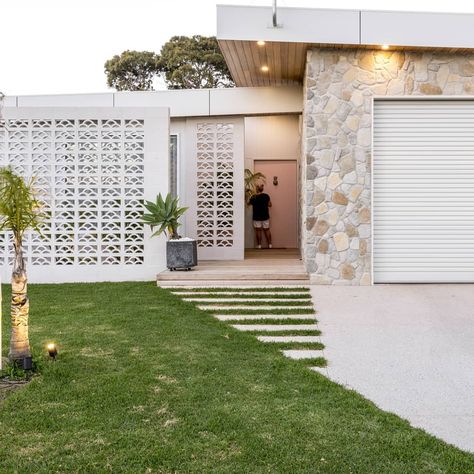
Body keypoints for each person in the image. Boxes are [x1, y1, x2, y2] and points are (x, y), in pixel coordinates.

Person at [249, 184, 272, 249]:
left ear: (256, 189)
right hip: (265, 215)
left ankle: (259, 245)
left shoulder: (253, 197)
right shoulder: (266, 196)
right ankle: (270, 245)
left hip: (256, 216)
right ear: (262, 189)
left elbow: (248, 203)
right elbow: (270, 205)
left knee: (258, 231)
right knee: (267, 230)